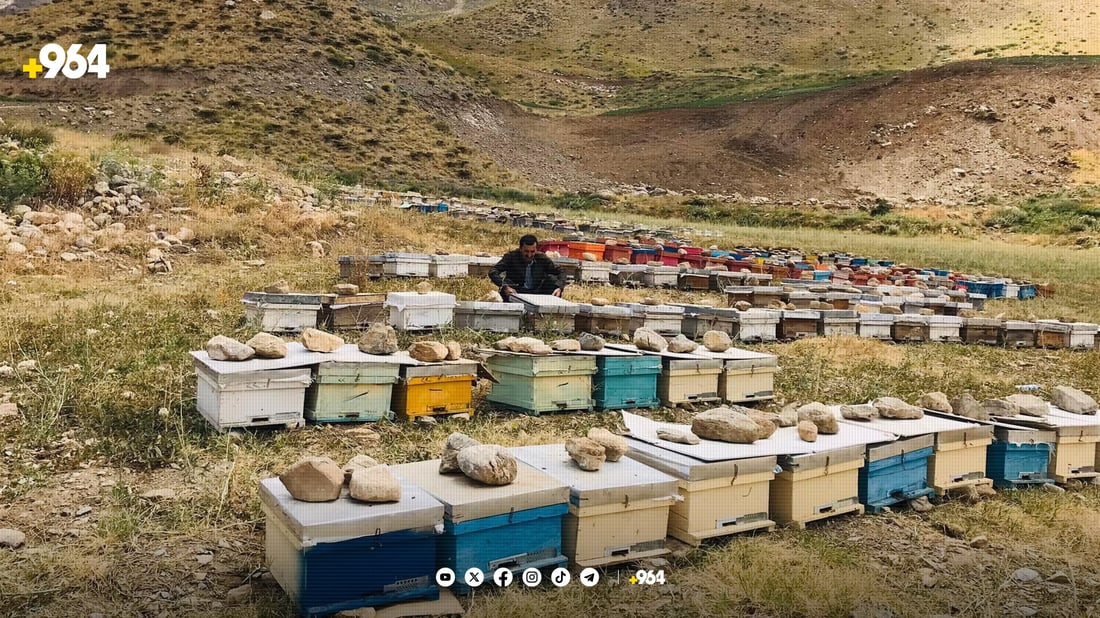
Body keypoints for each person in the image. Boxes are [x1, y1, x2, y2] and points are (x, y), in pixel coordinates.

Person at [489, 234, 566, 301]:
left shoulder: (542, 258)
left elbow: (561, 270)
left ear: (536, 249)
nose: (529, 255)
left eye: (532, 252)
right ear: (520, 249)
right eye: (526, 251)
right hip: (516, 292)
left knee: (552, 280)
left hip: (537, 292)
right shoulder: (511, 257)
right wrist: (504, 286)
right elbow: (493, 271)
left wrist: (559, 287)